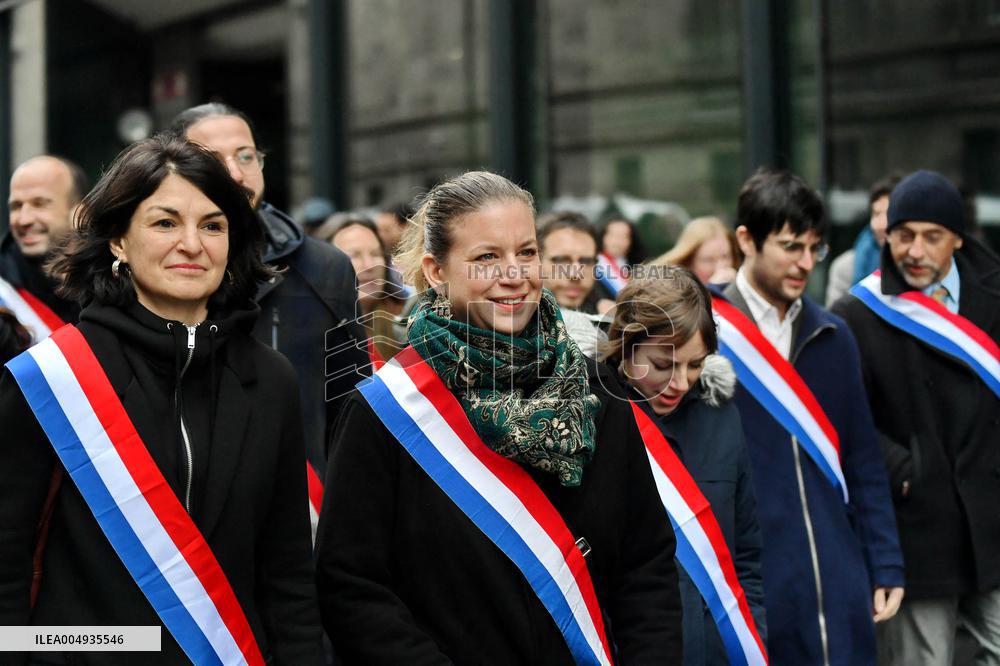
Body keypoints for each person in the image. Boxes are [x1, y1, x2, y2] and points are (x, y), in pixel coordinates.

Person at [315, 171, 682, 664]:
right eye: (487, 257)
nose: (514, 274)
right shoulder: (387, 411)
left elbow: (645, 562)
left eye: (527, 252)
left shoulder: (598, 389)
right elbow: (352, 587)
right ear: (436, 270)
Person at [0, 136, 322, 664]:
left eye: (213, 225)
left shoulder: (271, 381)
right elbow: (6, 570)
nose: (192, 244)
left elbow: (287, 575)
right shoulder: (52, 380)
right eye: (165, 222)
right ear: (119, 241)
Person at [714, 169, 904, 665]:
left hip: (837, 571)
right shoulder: (706, 332)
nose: (805, 263)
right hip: (749, 576)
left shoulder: (834, 336)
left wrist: (884, 562)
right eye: (791, 245)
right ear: (745, 240)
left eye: (815, 248)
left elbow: (863, 459)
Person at [831, 170, 1000, 666]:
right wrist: (906, 472)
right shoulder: (857, 313)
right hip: (916, 526)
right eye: (904, 236)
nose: (916, 252)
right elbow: (844, 418)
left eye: (932, 237)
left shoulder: (994, 291)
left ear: (957, 239)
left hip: (992, 519)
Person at [170, 103, 368, 477]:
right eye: (211, 159)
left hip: (302, 504)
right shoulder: (158, 266)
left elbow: (350, 408)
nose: (234, 172)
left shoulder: (324, 268)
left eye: (245, 156)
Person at [604, 268, 767, 666]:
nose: (679, 382)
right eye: (663, 365)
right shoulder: (595, 417)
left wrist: (752, 639)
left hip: (718, 650)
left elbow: (745, 555)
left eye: (695, 366)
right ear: (627, 347)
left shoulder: (722, 417)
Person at [1, 155, 89, 325]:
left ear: (80, 214)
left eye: (39, 204)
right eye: (16, 206)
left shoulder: (115, 279)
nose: (23, 220)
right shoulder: (5, 291)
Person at [328, 214, 406, 367]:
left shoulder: (408, 323)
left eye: (376, 254)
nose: (369, 265)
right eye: (353, 255)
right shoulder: (317, 333)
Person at [825, 174, 902, 307]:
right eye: (876, 214)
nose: (882, 224)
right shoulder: (846, 267)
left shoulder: (919, 265)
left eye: (889, 214)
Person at [656, 216, 740, 285]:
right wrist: (714, 291)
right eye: (708, 260)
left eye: (726, 257)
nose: (720, 269)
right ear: (688, 263)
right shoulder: (669, 294)